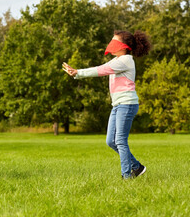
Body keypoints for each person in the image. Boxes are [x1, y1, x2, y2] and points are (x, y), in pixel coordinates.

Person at [62, 30, 151, 179]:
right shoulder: (117, 60)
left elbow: (101, 70)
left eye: (114, 41)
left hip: (127, 104)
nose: (111, 44)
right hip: (118, 105)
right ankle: (137, 167)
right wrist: (77, 73)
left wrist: (78, 73)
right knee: (111, 141)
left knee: (120, 140)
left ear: (123, 46)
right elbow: (101, 67)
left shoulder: (126, 60)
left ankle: (127, 176)